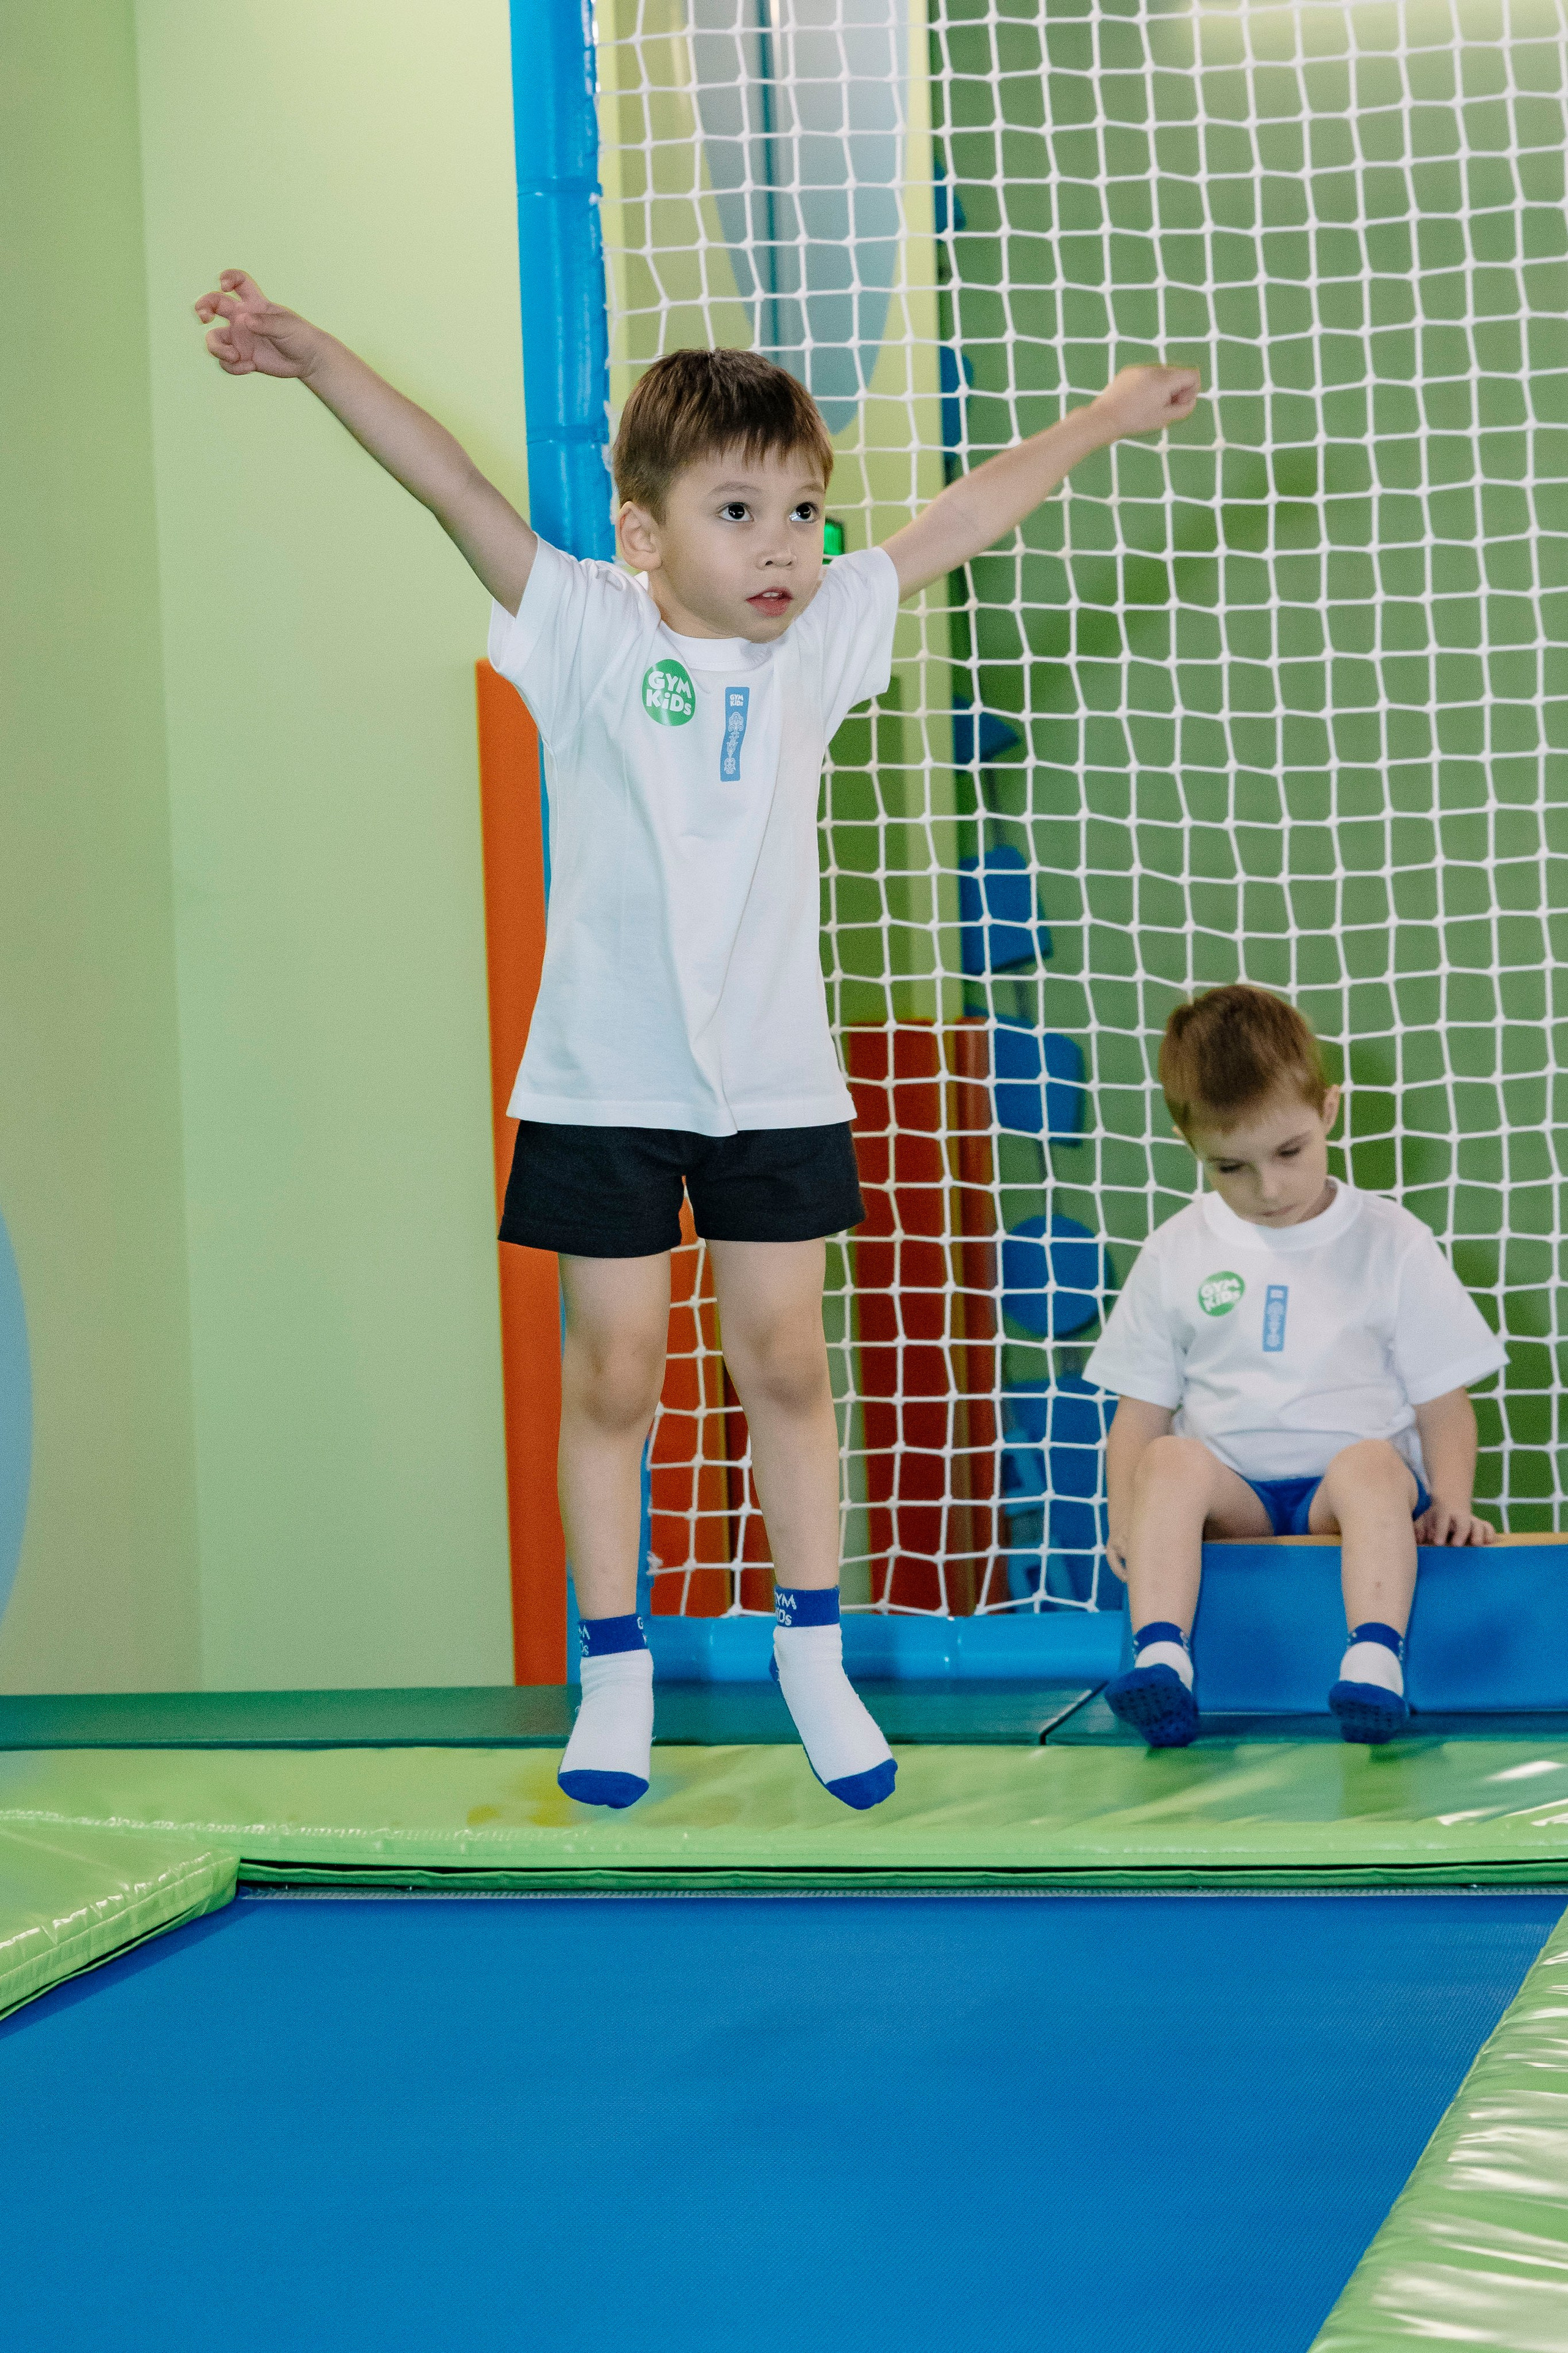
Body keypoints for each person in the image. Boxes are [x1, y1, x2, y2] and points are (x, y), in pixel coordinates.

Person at [195, 266, 1199, 1808]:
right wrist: (315, 352)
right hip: (605, 1076)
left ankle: (813, 1644)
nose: (783, 544)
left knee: (787, 1360)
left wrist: (1103, 418)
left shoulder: (820, 639)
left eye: (801, 510)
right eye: (738, 512)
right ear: (646, 530)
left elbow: (950, 521)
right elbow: (449, 481)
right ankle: (615, 1668)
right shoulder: (583, 630)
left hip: (773, 1080)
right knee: (615, 1374)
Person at [1083, 983, 1507, 1748]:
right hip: (1235, 1494)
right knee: (1170, 1458)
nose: (1268, 1188)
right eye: (1230, 1168)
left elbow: (1444, 1401)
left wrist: (1451, 1498)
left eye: (1288, 1152)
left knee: (1374, 1464)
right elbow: (1138, 1411)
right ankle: (1163, 1662)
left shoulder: (1391, 1241)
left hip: (1341, 1496)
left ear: (1329, 1112)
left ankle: (1375, 1662)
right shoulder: (1177, 1249)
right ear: (1193, 1151)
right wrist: (1125, 1518)